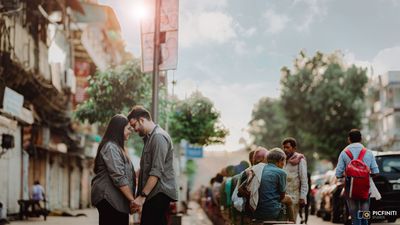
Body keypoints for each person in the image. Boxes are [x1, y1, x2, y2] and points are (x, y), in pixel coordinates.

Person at [128, 106, 178, 225]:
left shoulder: (158, 137)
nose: (134, 129)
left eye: (134, 125)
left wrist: (142, 196)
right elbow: (147, 168)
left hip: (158, 193)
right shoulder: (150, 138)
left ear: (142, 120)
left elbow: (156, 171)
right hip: (154, 193)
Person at [91, 114, 136, 225]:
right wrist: (132, 200)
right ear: (119, 129)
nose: (130, 131)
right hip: (109, 199)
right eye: (128, 128)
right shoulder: (111, 147)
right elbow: (118, 177)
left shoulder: (118, 148)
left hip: (117, 199)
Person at [335, 129, 379, 225]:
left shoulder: (344, 153)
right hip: (365, 188)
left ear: (349, 139)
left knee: (355, 217)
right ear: (361, 139)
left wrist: (347, 173)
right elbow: (376, 172)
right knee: (364, 216)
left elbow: (338, 174)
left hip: (350, 189)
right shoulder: (368, 152)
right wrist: (364, 175)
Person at [253, 148, 294, 222]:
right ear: (280, 161)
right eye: (284, 162)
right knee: (289, 199)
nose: (284, 164)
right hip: (271, 212)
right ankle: (292, 222)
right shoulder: (281, 172)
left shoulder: (260, 169)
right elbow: (282, 196)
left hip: (256, 210)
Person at [282, 137, 309, 223]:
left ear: (294, 148)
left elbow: (304, 180)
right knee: (282, 221)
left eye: (288, 147)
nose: (285, 149)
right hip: (283, 197)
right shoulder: (282, 159)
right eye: (284, 147)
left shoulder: (300, 160)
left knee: (292, 221)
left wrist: (302, 197)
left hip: (294, 197)